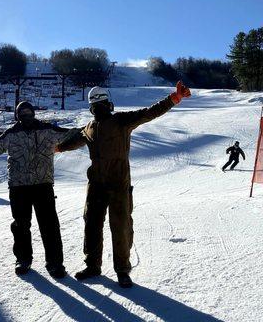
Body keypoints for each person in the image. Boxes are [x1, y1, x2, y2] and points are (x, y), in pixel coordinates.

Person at [56, 81, 191, 288]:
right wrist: (60, 148)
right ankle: (94, 265)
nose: (100, 108)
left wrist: (173, 99)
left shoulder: (121, 121)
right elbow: (75, 140)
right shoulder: (90, 128)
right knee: (93, 225)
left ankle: (122, 269)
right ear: (104, 104)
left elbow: (149, 113)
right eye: (99, 105)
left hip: (118, 184)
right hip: (97, 185)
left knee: (120, 226)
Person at [0, 101, 78, 278]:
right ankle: (23, 259)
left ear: (34, 113)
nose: (26, 117)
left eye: (29, 113)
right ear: (18, 116)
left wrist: (94, 127)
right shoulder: (12, 134)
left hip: (43, 185)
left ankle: (55, 263)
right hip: (19, 187)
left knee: (49, 225)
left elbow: (73, 135)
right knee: (20, 225)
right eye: (22, 114)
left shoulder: (47, 130)